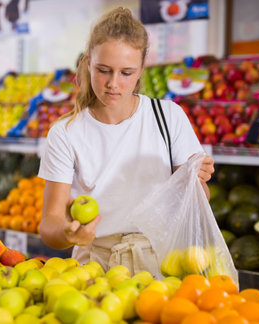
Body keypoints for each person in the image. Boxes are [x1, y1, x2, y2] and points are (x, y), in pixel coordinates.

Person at [38, 7, 214, 276]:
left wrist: (196, 179)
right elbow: (49, 225)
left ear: (142, 69)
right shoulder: (65, 132)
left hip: (163, 264)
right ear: (88, 63)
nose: (113, 84)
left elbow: (199, 202)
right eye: (103, 70)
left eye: (126, 73)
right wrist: (68, 234)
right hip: (95, 267)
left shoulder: (168, 117)